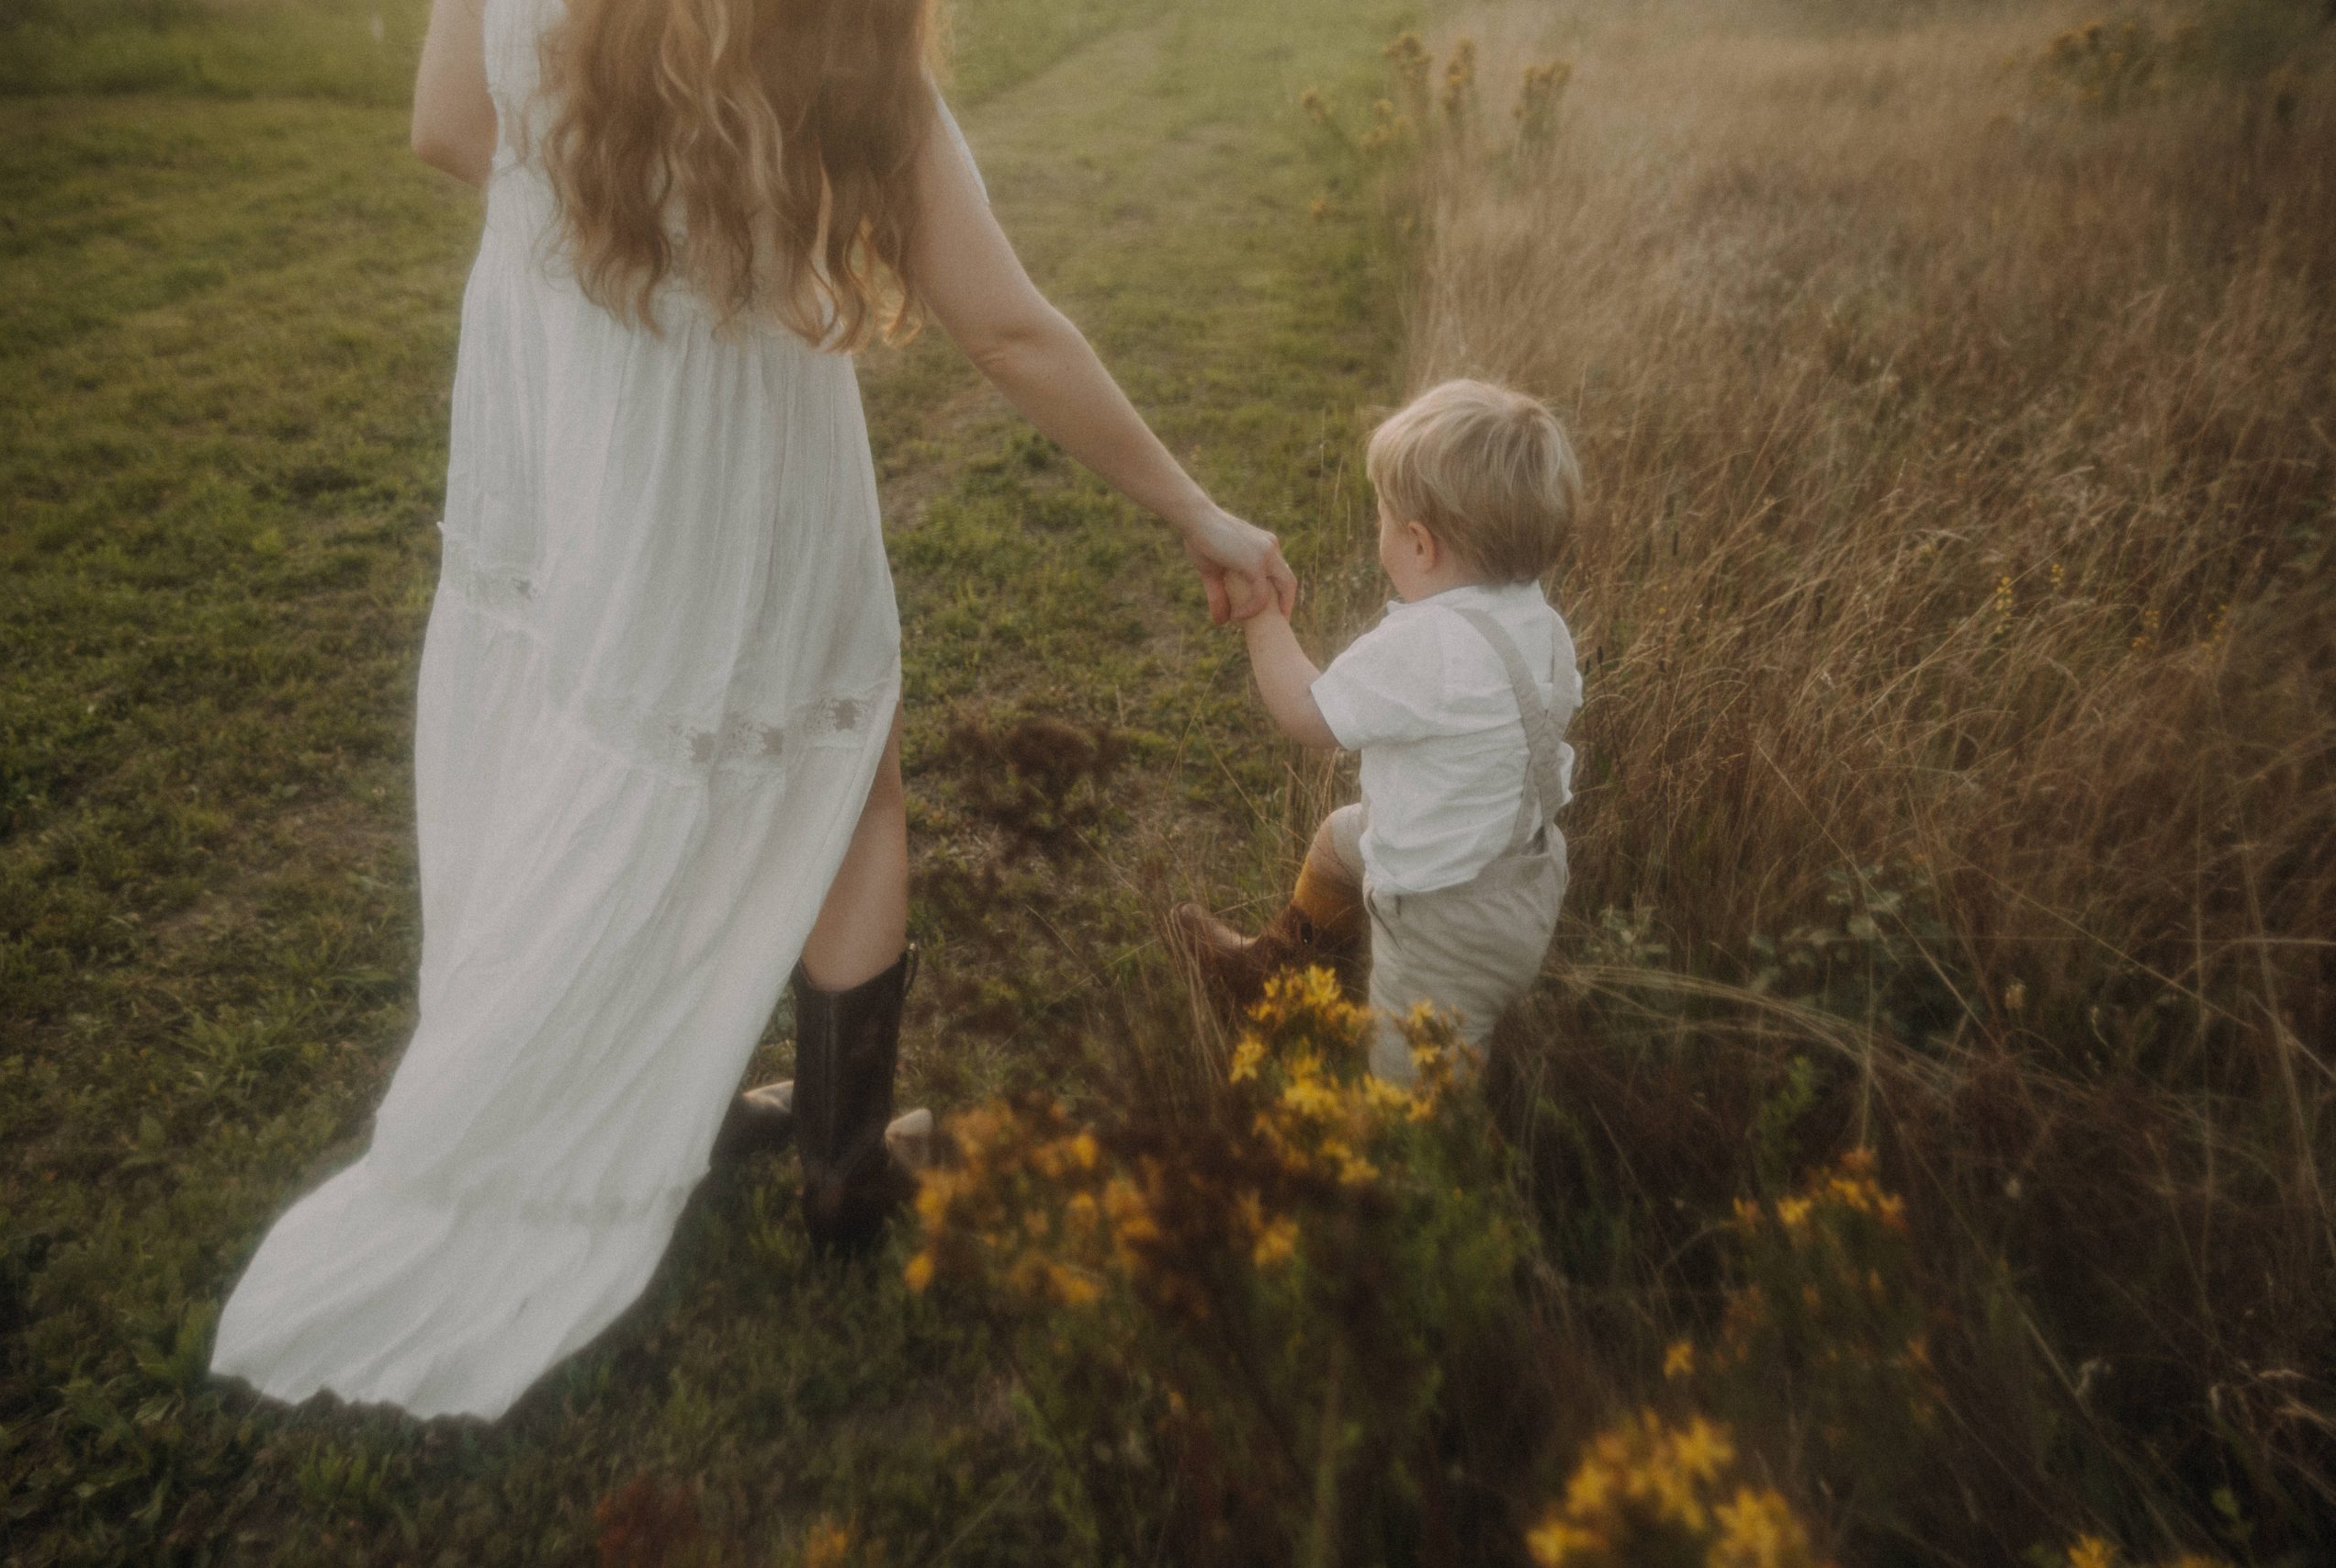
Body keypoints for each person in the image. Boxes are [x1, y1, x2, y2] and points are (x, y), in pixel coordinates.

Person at [208, 0, 1293, 1422]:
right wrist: (1195, 509)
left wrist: (623, 236)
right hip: (742, 455)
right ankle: (844, 1167)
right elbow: (1007, 327)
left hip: (569, 428)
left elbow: (447, 132)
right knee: (849, 786)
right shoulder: (840, 34)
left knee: (581, 730)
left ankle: (683, 1084)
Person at [1171, 379, 1582, 1083]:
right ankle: (1273, 966)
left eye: (1384, 516)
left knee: (1411, 1106)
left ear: (1420, 545)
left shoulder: (1426, 646)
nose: (1380, 528)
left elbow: (1306, 713)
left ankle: (1410, 1176)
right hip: (1525, 875)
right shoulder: (1542, 624)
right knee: (1341, 839)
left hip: (1441, 929)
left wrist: (1262, 616)